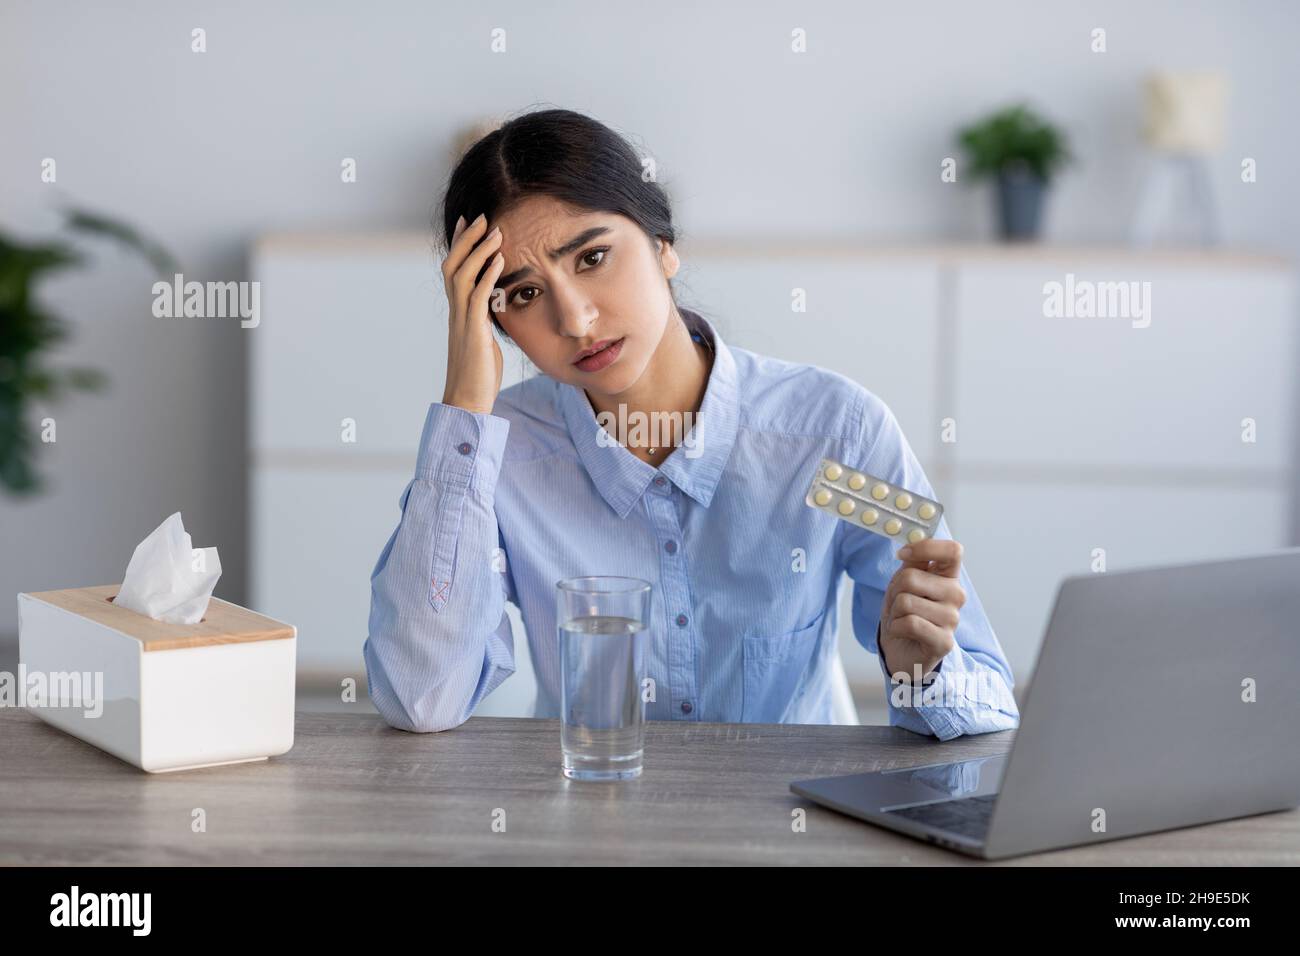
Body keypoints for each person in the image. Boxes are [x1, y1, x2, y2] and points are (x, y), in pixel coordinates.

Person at [363, 108, 1020, 740]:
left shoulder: (837, 435)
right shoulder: (496, 455)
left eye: (592, 258)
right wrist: (464, 404)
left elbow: (989, 695)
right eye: (525, 294)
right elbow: (422, 696)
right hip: (590, 805)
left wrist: (921, 672)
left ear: (663, 246)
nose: (576, 320)